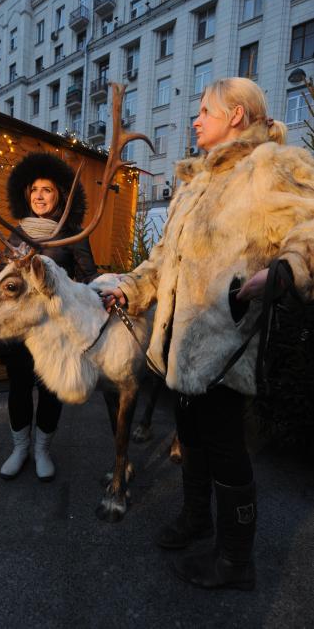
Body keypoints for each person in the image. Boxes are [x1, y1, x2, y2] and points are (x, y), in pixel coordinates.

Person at [102, 77, 314, 590]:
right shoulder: (195, 184)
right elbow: (162, 260)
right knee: (192, 437)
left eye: (204, 110)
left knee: (225, 446)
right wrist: (130, 288)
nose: (195, 119)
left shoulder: (272, 166)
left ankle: (235, 561)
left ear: (236, 115)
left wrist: (287, 270)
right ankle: (197, 521)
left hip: (225, 342)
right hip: (181, 344)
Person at [0, 152, 97, 482]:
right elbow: (2, 278)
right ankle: (20, 449)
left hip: (56, 328)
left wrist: (58, 289)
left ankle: (42, 450)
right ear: (28, 195)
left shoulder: (72, 233)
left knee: (52, 390)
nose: (40, 196)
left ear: (59, 196)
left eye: (48, 190)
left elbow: (89, 279)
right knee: (19, 387)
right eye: (35, 190)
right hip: (21, 329)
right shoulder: (17, 232)